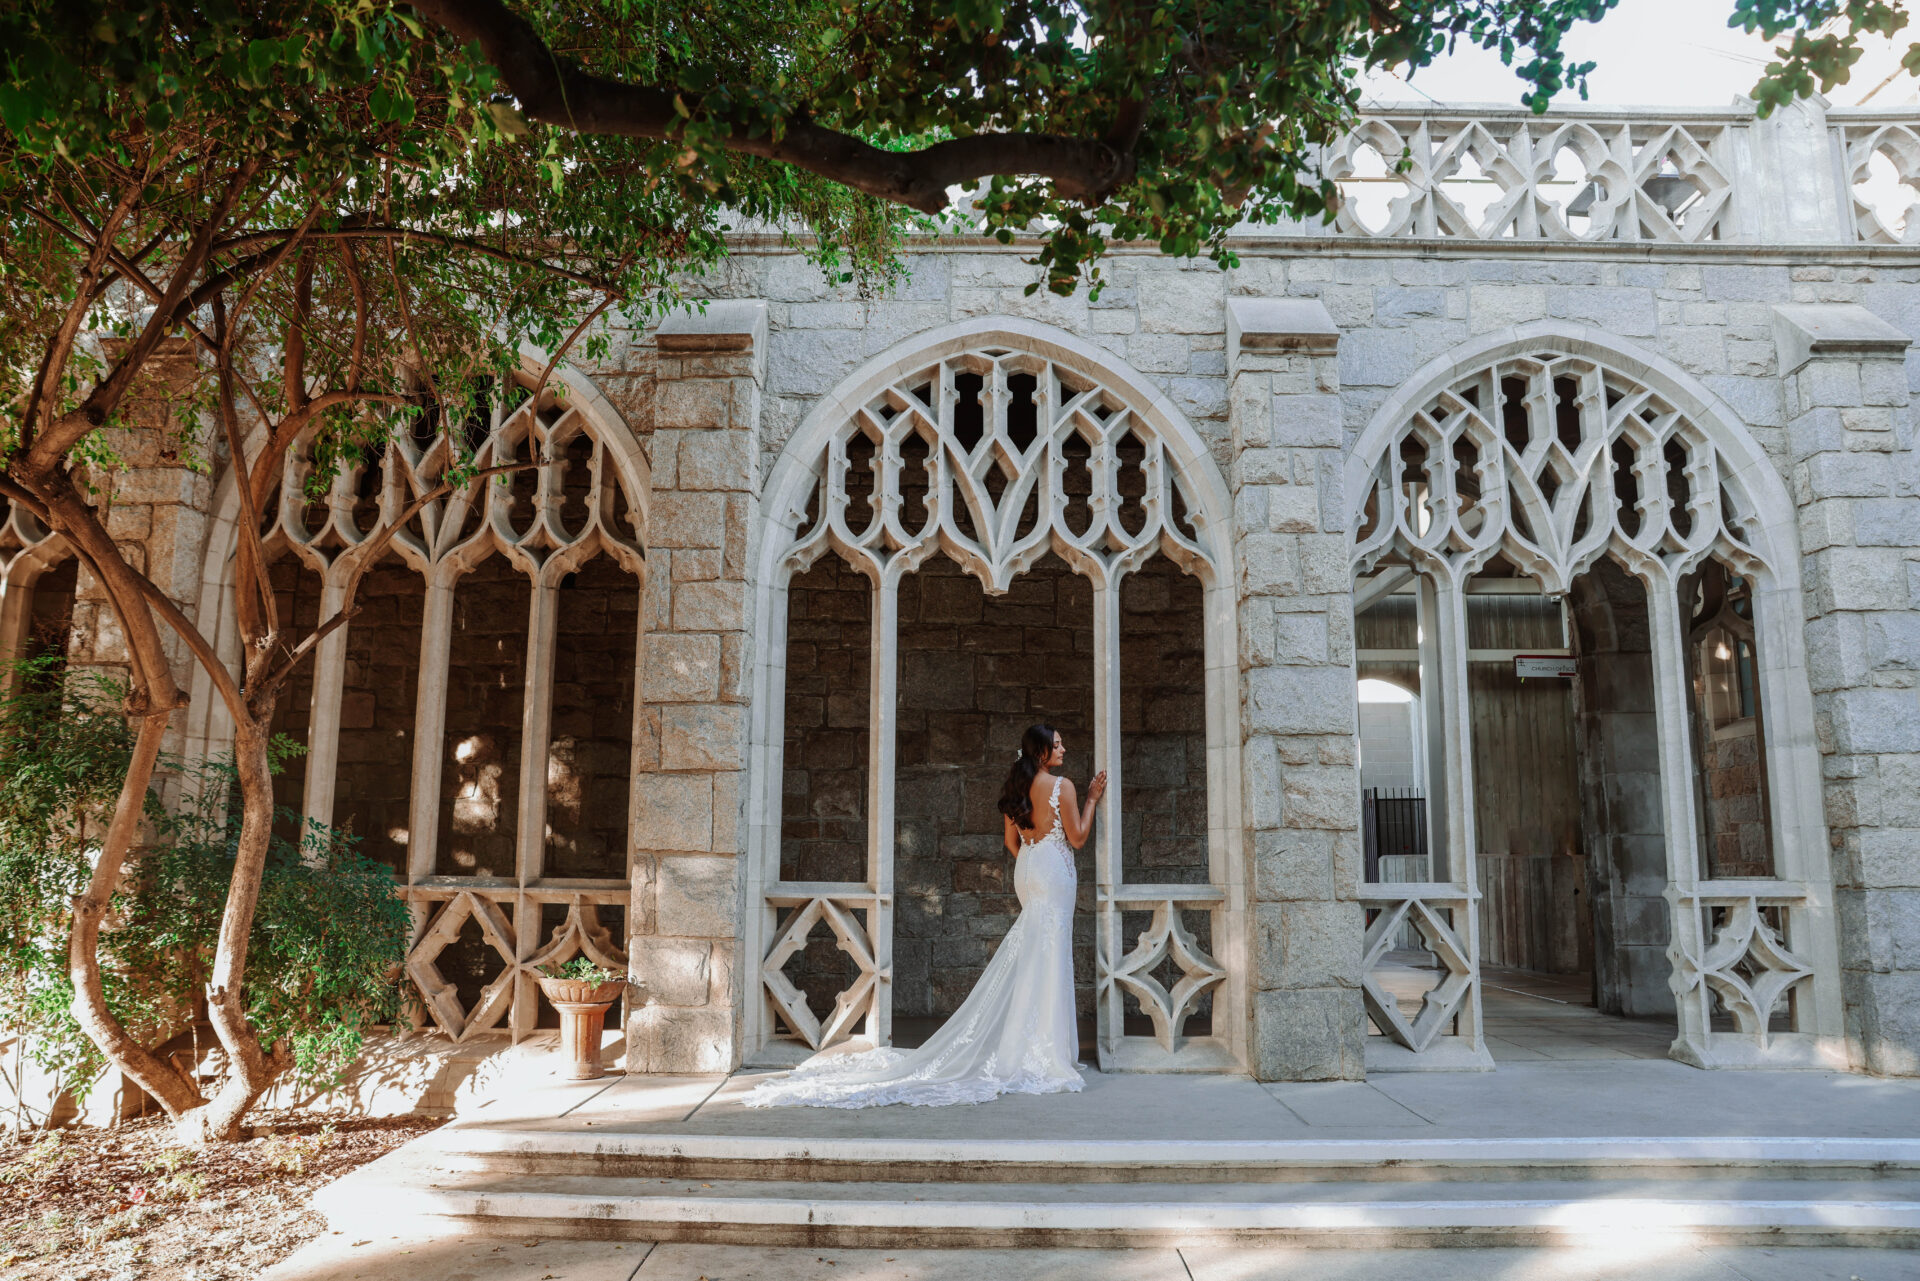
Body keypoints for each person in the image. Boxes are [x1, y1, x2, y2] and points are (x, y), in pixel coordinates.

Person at [741, 723, 1108, 1109]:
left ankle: (1029, 1045)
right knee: (1048, 956)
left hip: (1029, 869)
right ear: (1041, 753)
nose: (1063, 749)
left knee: (1033, 953)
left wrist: (1035, 864)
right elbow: (1079, 838)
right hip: (1054, 872)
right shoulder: (1063, 787)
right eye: (1057, 744)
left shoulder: (1017, 785)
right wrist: (1092, 799)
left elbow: (1010, 842)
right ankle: (1045, 1053)